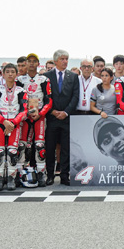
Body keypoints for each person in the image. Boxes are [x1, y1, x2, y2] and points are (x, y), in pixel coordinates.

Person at [0, 63, 28, 190]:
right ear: (3, 74)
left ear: (16, 74)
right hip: (0, 123)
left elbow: (24, 110)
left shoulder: (21, 91)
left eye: (13, 72)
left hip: (14, 124)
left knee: (12, 152)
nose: (10, 74)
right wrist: (3, 121)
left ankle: (11, 178)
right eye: (8, 72)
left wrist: (13, 122)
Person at [18, 53, 53, 186]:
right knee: (21, 145)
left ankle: (41, 173)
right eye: (29, 61)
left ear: (38, 64)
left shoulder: (44, 79)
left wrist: (41, 113)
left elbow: (49, 100)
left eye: (34, 61)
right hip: (24, 116)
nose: (31, 64)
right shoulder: (20, 80)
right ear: (26, 63)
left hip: (39, 116)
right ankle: (19, 173)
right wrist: (25, 113)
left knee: (39, 145)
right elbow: (18, 100)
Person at [46, 49, 79, 186]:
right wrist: (53, 111)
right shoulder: (47, 76)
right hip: (52, 118)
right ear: (55, 61)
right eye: (62, 59)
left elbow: (75, 96)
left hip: (66, 118)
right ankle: (49, 175)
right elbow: (44, 97)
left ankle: (65, 176)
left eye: (66, 59)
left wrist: (65, 112)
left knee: (66, 148)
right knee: (50, 148)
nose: (65, 61)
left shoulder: (73, 76)